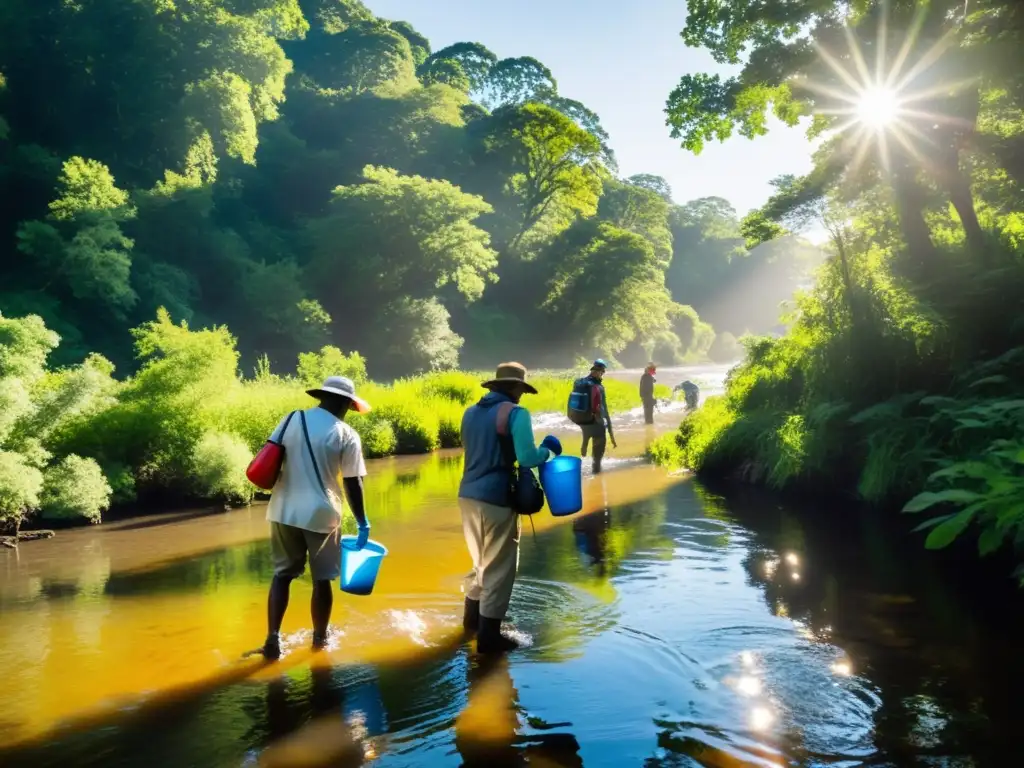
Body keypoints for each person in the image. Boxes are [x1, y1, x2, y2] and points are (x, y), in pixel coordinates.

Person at [258, 375, 372, 661]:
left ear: (322, 396)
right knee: (322, 580)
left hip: (283, 509)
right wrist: (362, 522)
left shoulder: (290, 419)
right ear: (345, 402)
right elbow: (352, 483)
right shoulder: (346, 434)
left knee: (282, 575)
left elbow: (271, 456)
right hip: (321, 513)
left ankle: (273, 639)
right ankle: (320, 641)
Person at [458, 362, 562, 654]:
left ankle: (471, 624)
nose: (522, 396)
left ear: (493, 386)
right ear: (516, 388)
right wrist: (549, 449)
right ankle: (490, 637)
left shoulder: (470, 413)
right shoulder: (516, 414)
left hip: (467, 496)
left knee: (480, 563)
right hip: (496, 500)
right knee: (500, 568)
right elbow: (528, 458)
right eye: (521, 390)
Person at [574, 360, 614, 474]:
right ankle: (597, 475)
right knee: (598, 456)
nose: (602, 375)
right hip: (597, 423)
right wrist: (610, 429)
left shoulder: (580, 383)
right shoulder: (598, 387)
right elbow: (604, 408)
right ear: (598, 372)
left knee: (587, 437)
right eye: (602, 372)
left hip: (583, 421)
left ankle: (584, 445)